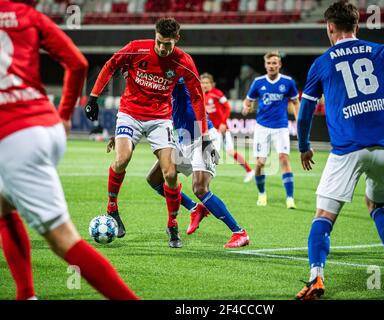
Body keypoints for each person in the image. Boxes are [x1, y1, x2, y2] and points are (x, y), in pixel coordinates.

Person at [0, 0, 139, 300]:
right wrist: (63, 116)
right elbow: (77, 63)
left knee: (63, 240)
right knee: (4, 207)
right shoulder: (29, 16)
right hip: (44, 126)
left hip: (14, 134)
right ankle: (25, 294)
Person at [295, 1, 384, 300]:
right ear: (357, 25)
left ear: (329, 27)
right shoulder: (381, 51)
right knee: (378, 204)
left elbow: (305, 112)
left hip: (349, 148)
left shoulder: (321, 63)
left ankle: (316, 277)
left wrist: (305, 147)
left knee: (324, 216)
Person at [84, 18, 209, 244]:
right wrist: (93, 97)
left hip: (160, 119)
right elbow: (110, 65)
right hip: (129, 113)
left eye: (168, 44)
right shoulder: (135, 49)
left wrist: (205, 134)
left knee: (170, 173)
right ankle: (112, 208)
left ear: (176, 40)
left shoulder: (183, 62)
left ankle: (172, 224)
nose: (162, 48)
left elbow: (198, 97)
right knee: (122, 159)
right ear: (155, 36)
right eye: (160, 42)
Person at [144, 78, 250, 248]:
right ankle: (195, 208)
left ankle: (239, 233)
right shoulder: (157, 91)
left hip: (202, 136)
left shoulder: (176, 78)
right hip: (183, 139)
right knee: (154, 179)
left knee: (200, 189)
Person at [242, 51, 300, 209]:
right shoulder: (258, 82)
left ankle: (290, 198)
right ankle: (261, 194)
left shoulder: (288, 82)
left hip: (281, 127)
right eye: (269, 63)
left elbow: (295, 102)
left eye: (275, 63)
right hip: (262, 128)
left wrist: (299, 119)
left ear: (279, 65)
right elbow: (248, 101)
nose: (272, 66)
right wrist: (246, 108)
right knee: (260, 163)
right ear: (265, 65)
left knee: (284, 159)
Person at [201, 72, 255, 183]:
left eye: (207, 83)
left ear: (212, 84)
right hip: (209, 130)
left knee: (228, 152)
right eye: (202, 82)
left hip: (221, 129)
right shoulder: (201, 96)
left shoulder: (217, 94)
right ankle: (206, 172)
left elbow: (227, 107)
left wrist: (223, 123)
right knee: (209, 151)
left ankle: (249, 171)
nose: (205, 85)